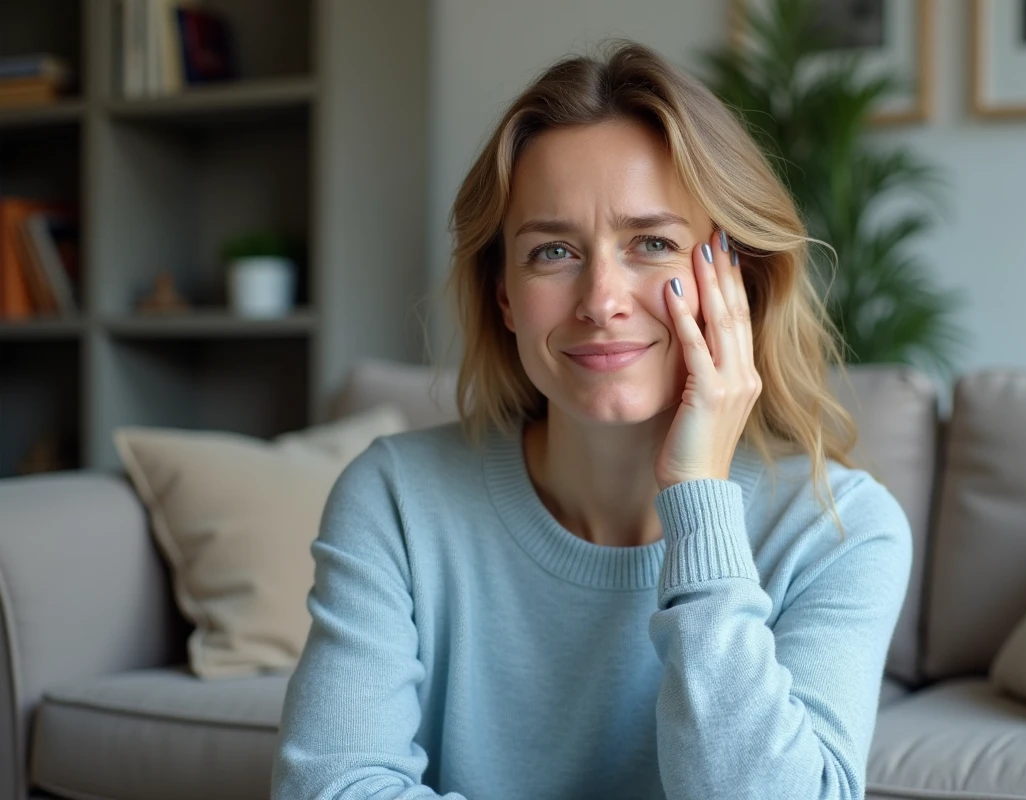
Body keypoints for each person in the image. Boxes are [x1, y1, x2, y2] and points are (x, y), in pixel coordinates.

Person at [271, 39, 912, 800]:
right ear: (504, 295)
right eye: (552, 252)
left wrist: (699, 501)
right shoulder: (394, 497)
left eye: (652, 243)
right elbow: (332, 789)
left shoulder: (842, 530)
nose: (601, 300)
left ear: (735, 279)